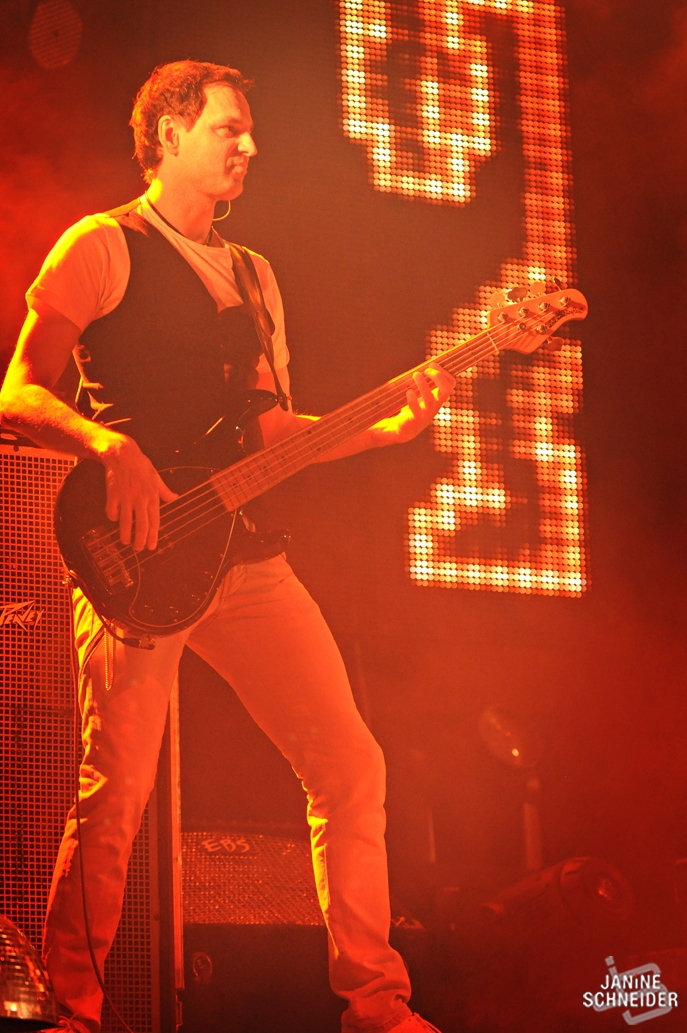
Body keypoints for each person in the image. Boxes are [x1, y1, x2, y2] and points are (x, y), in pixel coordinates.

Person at [0, 61, 458, 1033]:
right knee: (116, 793)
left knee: (350, 765)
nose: (249, 146)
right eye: (228, 128)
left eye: (250, 130)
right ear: (167, 136)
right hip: (134, 552)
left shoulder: (254, 274)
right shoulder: (102, 244)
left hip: (244, 558)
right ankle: (73, 1011)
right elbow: (18, 392)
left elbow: (268, 435)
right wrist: (109, 446)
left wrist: (381, 430)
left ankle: (376, 1005)